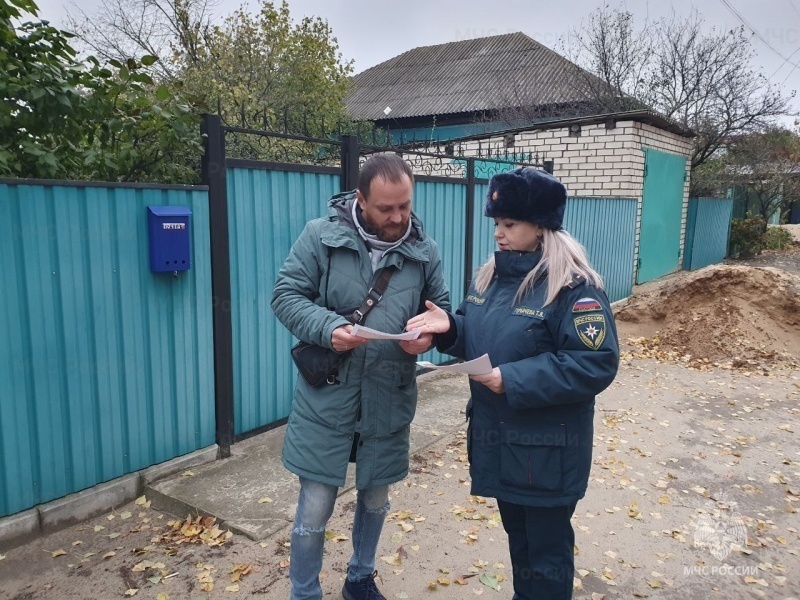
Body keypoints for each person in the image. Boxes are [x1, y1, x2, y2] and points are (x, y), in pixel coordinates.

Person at [407, 167, 619, 600]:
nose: (499, 234)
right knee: (521, 547)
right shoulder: (492, 280)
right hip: (501, 444)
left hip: (546, 454)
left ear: (541, 228)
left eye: (510, 224)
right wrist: (449, 328)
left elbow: (595, 362)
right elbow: (480, 337)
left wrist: (513, 379)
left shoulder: (573, 290)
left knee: (546, 556)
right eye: (497, 224)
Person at [271, 153, 451, 600]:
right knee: (314, 511)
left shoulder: (424, 251)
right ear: (360, 199)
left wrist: (426, 337)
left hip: (389, 396)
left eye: (405, 206)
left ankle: (359, 578)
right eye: (386, 208)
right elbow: (285, 295)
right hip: (326, 400)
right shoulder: (320, 236)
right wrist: (328, 329)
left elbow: (441, 310)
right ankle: (305, 593)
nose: (398, 218)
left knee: (375, 501)